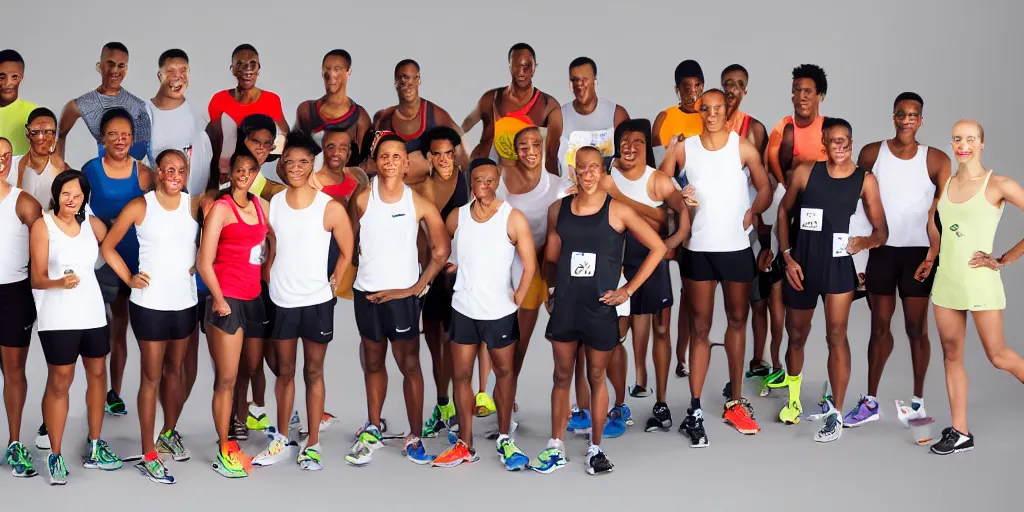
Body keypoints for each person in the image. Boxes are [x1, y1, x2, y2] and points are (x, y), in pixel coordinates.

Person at [533, 146, 667, 475]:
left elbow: (658, 246)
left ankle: (596, 448)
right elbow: (550, 258)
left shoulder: (617, 210)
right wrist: (550, 292)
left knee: (596, 376)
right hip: (566, 307)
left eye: (595, 168)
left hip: (599, 308)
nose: (589, 174)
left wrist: (628, 290)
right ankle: (556, 444)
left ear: (603, 172)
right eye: (583, 168)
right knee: (561, 376)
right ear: (574, 172)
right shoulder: (557, 210)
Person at [661, 89, 772, 444]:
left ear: (728, 111)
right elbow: (661, 186)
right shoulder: (684, 148)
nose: (711, 114)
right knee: (699, 327)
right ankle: (694, 409)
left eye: (717, 109)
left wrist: (753, 212)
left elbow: (766, 188)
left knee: (738, 320)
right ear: (699, 111)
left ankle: (736, 399)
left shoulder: (743, 148)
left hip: (736, 248)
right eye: (705, 109)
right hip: (699, 249)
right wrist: (677, 199)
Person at [775, 117, 888, 443]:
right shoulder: (806, 172)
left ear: (851, 142)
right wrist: (786, 255)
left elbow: (882, 232)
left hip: (839, 269)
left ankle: (835, 413)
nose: (840, 146)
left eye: (845, 140)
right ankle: (794, 401)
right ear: (824, 144)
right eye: (833, 141)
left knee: (836, 336)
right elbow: (783, 212)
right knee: (795, 336)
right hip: (802, 267)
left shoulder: (864, 181)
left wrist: (863, 242)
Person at [843, 92, 949, 427]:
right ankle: (871, 400)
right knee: (879, 327)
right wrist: (859, 262)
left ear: (921, 120)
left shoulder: (936, 159)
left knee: (916, 328)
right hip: (882, 252)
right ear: (893, 117)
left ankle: (918, 402)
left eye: (913, 115)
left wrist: (934, 254)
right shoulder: (873, 154)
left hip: (918, 253)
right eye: (901, 114)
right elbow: (857, 207)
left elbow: (942, 212)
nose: (906, 120)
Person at [344, 131, 450, 467]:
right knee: (373, 362)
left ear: (406, 164)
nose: (390, 163)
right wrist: (362, 272)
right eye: (384, 157)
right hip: (368, 294)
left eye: (396, 157)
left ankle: (415, 435)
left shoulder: (417, 202)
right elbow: (346, 244)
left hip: (403, 298)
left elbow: (441, 248)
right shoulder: (361, 198)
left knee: (409, 365)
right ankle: (374, 426)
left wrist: (416, 286)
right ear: (375, 162)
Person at [251, 133, 352, 470]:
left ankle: (312, 443)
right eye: (289, 162)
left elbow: (347, 249)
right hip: (281, 299)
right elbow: (266, 244)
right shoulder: (273, 204)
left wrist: (334, 281)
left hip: (317, 301)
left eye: (303, 162)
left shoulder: (330, 207)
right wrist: (267, 274)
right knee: (285, 372)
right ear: (282, 165)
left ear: (313, 165)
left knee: (313, 371)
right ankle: (281, 439)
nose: (295, 167)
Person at [99, 149, 199, 483]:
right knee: (151, 376)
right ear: (157, 171)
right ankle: (148, 452)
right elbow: (107, 247)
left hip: (184, 302)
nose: (174, 175)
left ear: (186, 173)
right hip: (150, 304)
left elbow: (221, 235)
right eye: (168, 169)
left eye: (180, 170)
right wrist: (128, 278)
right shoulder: (141, 206)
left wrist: (203, 262)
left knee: (175, 371)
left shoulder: (194, 205)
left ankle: (168, 432)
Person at [431, 158, 535, 469]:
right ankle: (465, 443)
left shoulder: (512, 217)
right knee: (460, 376)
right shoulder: (457, 217)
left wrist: (517, 298)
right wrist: (451, 264)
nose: (485, 186)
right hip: (464, 308)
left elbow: (529, 263)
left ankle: (505, 437)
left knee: (504, 374)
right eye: (479, 180)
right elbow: (442, 249)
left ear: (497, 181)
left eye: (491, 180)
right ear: (471, 183)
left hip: (499, 312)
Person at [929, 119, 1024, 455]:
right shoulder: (946, 183)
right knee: (951, 355)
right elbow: (941, 226)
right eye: (957, 139)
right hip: (947, 283)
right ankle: (960, 431)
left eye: (970, 139)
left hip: (980, 282)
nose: (963, 145)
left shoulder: (998, 184)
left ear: (982, 144)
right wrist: (932, 256)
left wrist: (1005, 258)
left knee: (998, 356)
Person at [30, 170, 123, 485]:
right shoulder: (43, 227)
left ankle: (95, 445)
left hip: (93, 311)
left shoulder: (93, 226)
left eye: (78, 195)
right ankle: (55, 454)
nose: (71, 200)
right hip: (58, 315)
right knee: (61, 380)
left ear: (86, 198)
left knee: (98, 375)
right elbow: (37, 277)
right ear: (56, 195)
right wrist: (60, 282)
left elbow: (112, 249)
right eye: (65, 194)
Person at [492, 126, 574, 424]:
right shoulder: (502, 182)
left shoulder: (559, 185)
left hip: (551, 268)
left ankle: (570, 406)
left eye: (535, 145)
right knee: (517, 340)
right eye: (522, 146)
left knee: (561, 340)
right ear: (516, 151)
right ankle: (505, 398)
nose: (529, 151)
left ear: (543, 147)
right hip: (518, 267)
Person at [197, 148, 269, 478]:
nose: (244, 174)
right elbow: (203, 261)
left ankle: (240, 425)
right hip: (227, 299)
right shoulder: (221, 209)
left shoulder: (260, 206)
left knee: (249, 368)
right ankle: (224, 445)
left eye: (250, 170)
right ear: (230, 173)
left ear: (256, 174)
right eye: (238, 169)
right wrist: (218, 298)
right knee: (226, 378)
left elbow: (270, 241)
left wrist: (268, 268)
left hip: (254, 298)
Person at [82, 108, 154, 417]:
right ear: (102, 138)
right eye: (113, 134)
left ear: (133, 139)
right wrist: (96, 226)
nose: (120, 140)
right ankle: (94, 388)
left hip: (136, 258)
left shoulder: (145, 173)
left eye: (125, 135)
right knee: (99, 325)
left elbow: (162, 212)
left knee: (121, 327)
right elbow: (75, 209)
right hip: (99, 259)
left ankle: (115, 391)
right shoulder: (90, 169)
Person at [718, 64, 780, 384]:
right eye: (728, 83)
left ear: (746, 91)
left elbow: (766, 179)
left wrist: (758, 217)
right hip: (713, 225)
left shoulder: (753, 128)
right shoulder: (709, 120)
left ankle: (758, 359)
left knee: (756, 298)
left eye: (739, 85)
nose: (733, 89)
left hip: (747, 225)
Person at [408, 126, 470, 439]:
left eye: (449, 153)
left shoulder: (471, 180)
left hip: (463, 271)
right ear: (429, 157)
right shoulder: (419, 188)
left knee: (458, 344)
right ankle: (443, 404)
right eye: (438, 154)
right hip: (431, 271)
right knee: (434, 344)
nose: (444, 159)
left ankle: (470, 403)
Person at [652, 59, 704, 378]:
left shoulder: (710, 116)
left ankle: (682, 356)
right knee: (659, 280)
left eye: (699, 86)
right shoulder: (665, 118)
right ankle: (659, 347)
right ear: (677, 89)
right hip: (666, 201)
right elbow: (660, 169)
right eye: (688, 88)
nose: (694, 93)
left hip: (696, 205)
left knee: (689, 285)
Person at [0, 136, 43, 478]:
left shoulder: (24, 202)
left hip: (13, 295)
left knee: (14, 372)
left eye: (5, 156)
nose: (0, 161)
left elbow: (45, 244)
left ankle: (15, 443)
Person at [462, 43, 561, 175]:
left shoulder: (549, 105)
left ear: (534, 68)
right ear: (510, 68)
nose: (521, 72)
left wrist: (554, 190)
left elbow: (552, 154)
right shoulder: (491, 98)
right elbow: (466, 125)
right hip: (489, 175)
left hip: (528, 177)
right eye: (516, 66)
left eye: (526, 66)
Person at [206, 44, 289, 199]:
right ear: (233, 70)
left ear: (259, 68)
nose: (247, 69)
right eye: (240, 64)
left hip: (258, 174)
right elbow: (215, 146)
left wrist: (265, 155)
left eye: (252, 64)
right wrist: (212, 184)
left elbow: (285, 137)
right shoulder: (219, 100)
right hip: (227, 176)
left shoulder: (271, 100)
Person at [371, 59, 469, 180]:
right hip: (396, 187)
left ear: (419, 80)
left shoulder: (436, 114)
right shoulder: (385, 119)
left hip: (431, 189)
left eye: (414, 78)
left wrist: (464, 183)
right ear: (396, 81)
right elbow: (374, 160)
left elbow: (462, 150)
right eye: (404, 78)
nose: (409, 84)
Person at [57, 42, 151, 161]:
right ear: (99, 66)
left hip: (133, 174)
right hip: (99, 173)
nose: (115, 70)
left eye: (121, 65)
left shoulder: (138, 106)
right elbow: (59, 136)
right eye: (110, 64)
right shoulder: (80, 105)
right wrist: (59, 174)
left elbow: (146, 153)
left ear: (126, 70)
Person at [147, 49, 212, 194]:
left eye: (183, 70)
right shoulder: (145, 112)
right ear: (160, 76)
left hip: (194, 205)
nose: (178, 77)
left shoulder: (200, 113)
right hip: (159, 202)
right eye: (171, 71)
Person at [294, 49, 371, 163]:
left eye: (337, 69)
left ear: (348, 72)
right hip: (310, 178)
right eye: (327, 69)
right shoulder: (306, 110)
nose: (331, 75)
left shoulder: (359, 117)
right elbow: (292, 151)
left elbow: (364, 164)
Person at [557, 56, 629, 176]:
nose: (580, 84)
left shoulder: (616, 114)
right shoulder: (558, 116)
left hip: (608, 192)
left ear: (595, 81)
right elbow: (549, 159)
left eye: (584, 80)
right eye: (575, 80)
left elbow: (628, 160)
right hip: (570, 192)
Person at [7, 108, 68, 207]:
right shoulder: (9, 166)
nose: (41, 138)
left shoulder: (63, 172)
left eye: (48, 132)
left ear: (54, 136)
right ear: (27, 133)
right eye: (36, 131)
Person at [0, 50, 37, 156]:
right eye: (2, 77)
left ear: (21, 78)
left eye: (14, 77)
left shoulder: (34, 113)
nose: (8, 83)